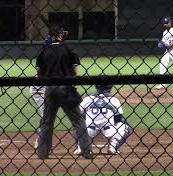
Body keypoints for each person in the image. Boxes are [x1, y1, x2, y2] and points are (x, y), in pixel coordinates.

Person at [35, 24, 93, 160]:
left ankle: (43, 153)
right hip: (66, 88)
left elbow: (39, 73)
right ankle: (87, 152)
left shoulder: (44, 50)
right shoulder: (68, 48)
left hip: (49, 88)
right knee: (78, 120)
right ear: (60, 35)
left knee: (47, 122)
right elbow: (75, 72)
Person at [73, 85, 131, 155]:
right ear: (110, 88)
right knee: (126, 126)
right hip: (108, 130)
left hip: (88, 131)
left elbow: (79, 115)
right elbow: (118, 119)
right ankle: (113, 146)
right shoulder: (114, 100)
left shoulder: (87, 99)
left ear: (96, 87)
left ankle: (81, 147)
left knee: (78, 124)